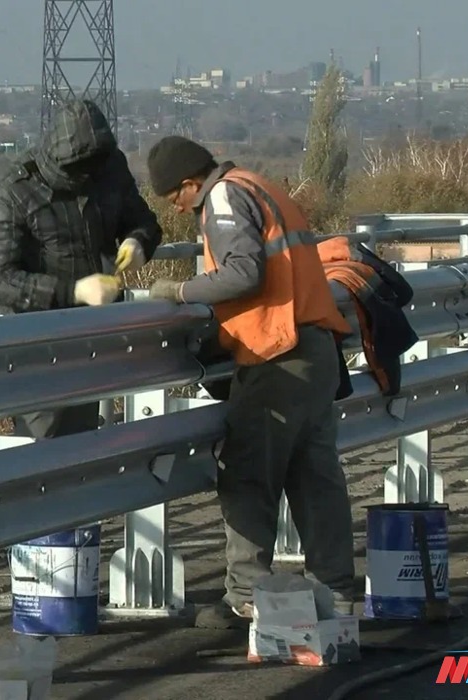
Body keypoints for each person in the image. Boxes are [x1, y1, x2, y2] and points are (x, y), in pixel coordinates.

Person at [144, 135, 357, 629]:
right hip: (315, 348)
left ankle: (247, 596)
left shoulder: (221, 197)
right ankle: (338, 595)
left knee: (247, 474)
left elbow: (244, 273)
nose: (177, 210)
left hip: (276, 353)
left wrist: (180, 290)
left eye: (174, 198)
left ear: (189, 184)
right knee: (314, 478)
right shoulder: (260, 185)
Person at [0, 99, 163, 440]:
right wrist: (72, 291)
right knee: (41, 440)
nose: (87, 176)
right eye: (80, 169)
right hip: (37, 341)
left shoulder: (109, 170)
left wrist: (138, 242)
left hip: (93, 332)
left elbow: (144, 222)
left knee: (82, 439)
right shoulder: (13, 193)